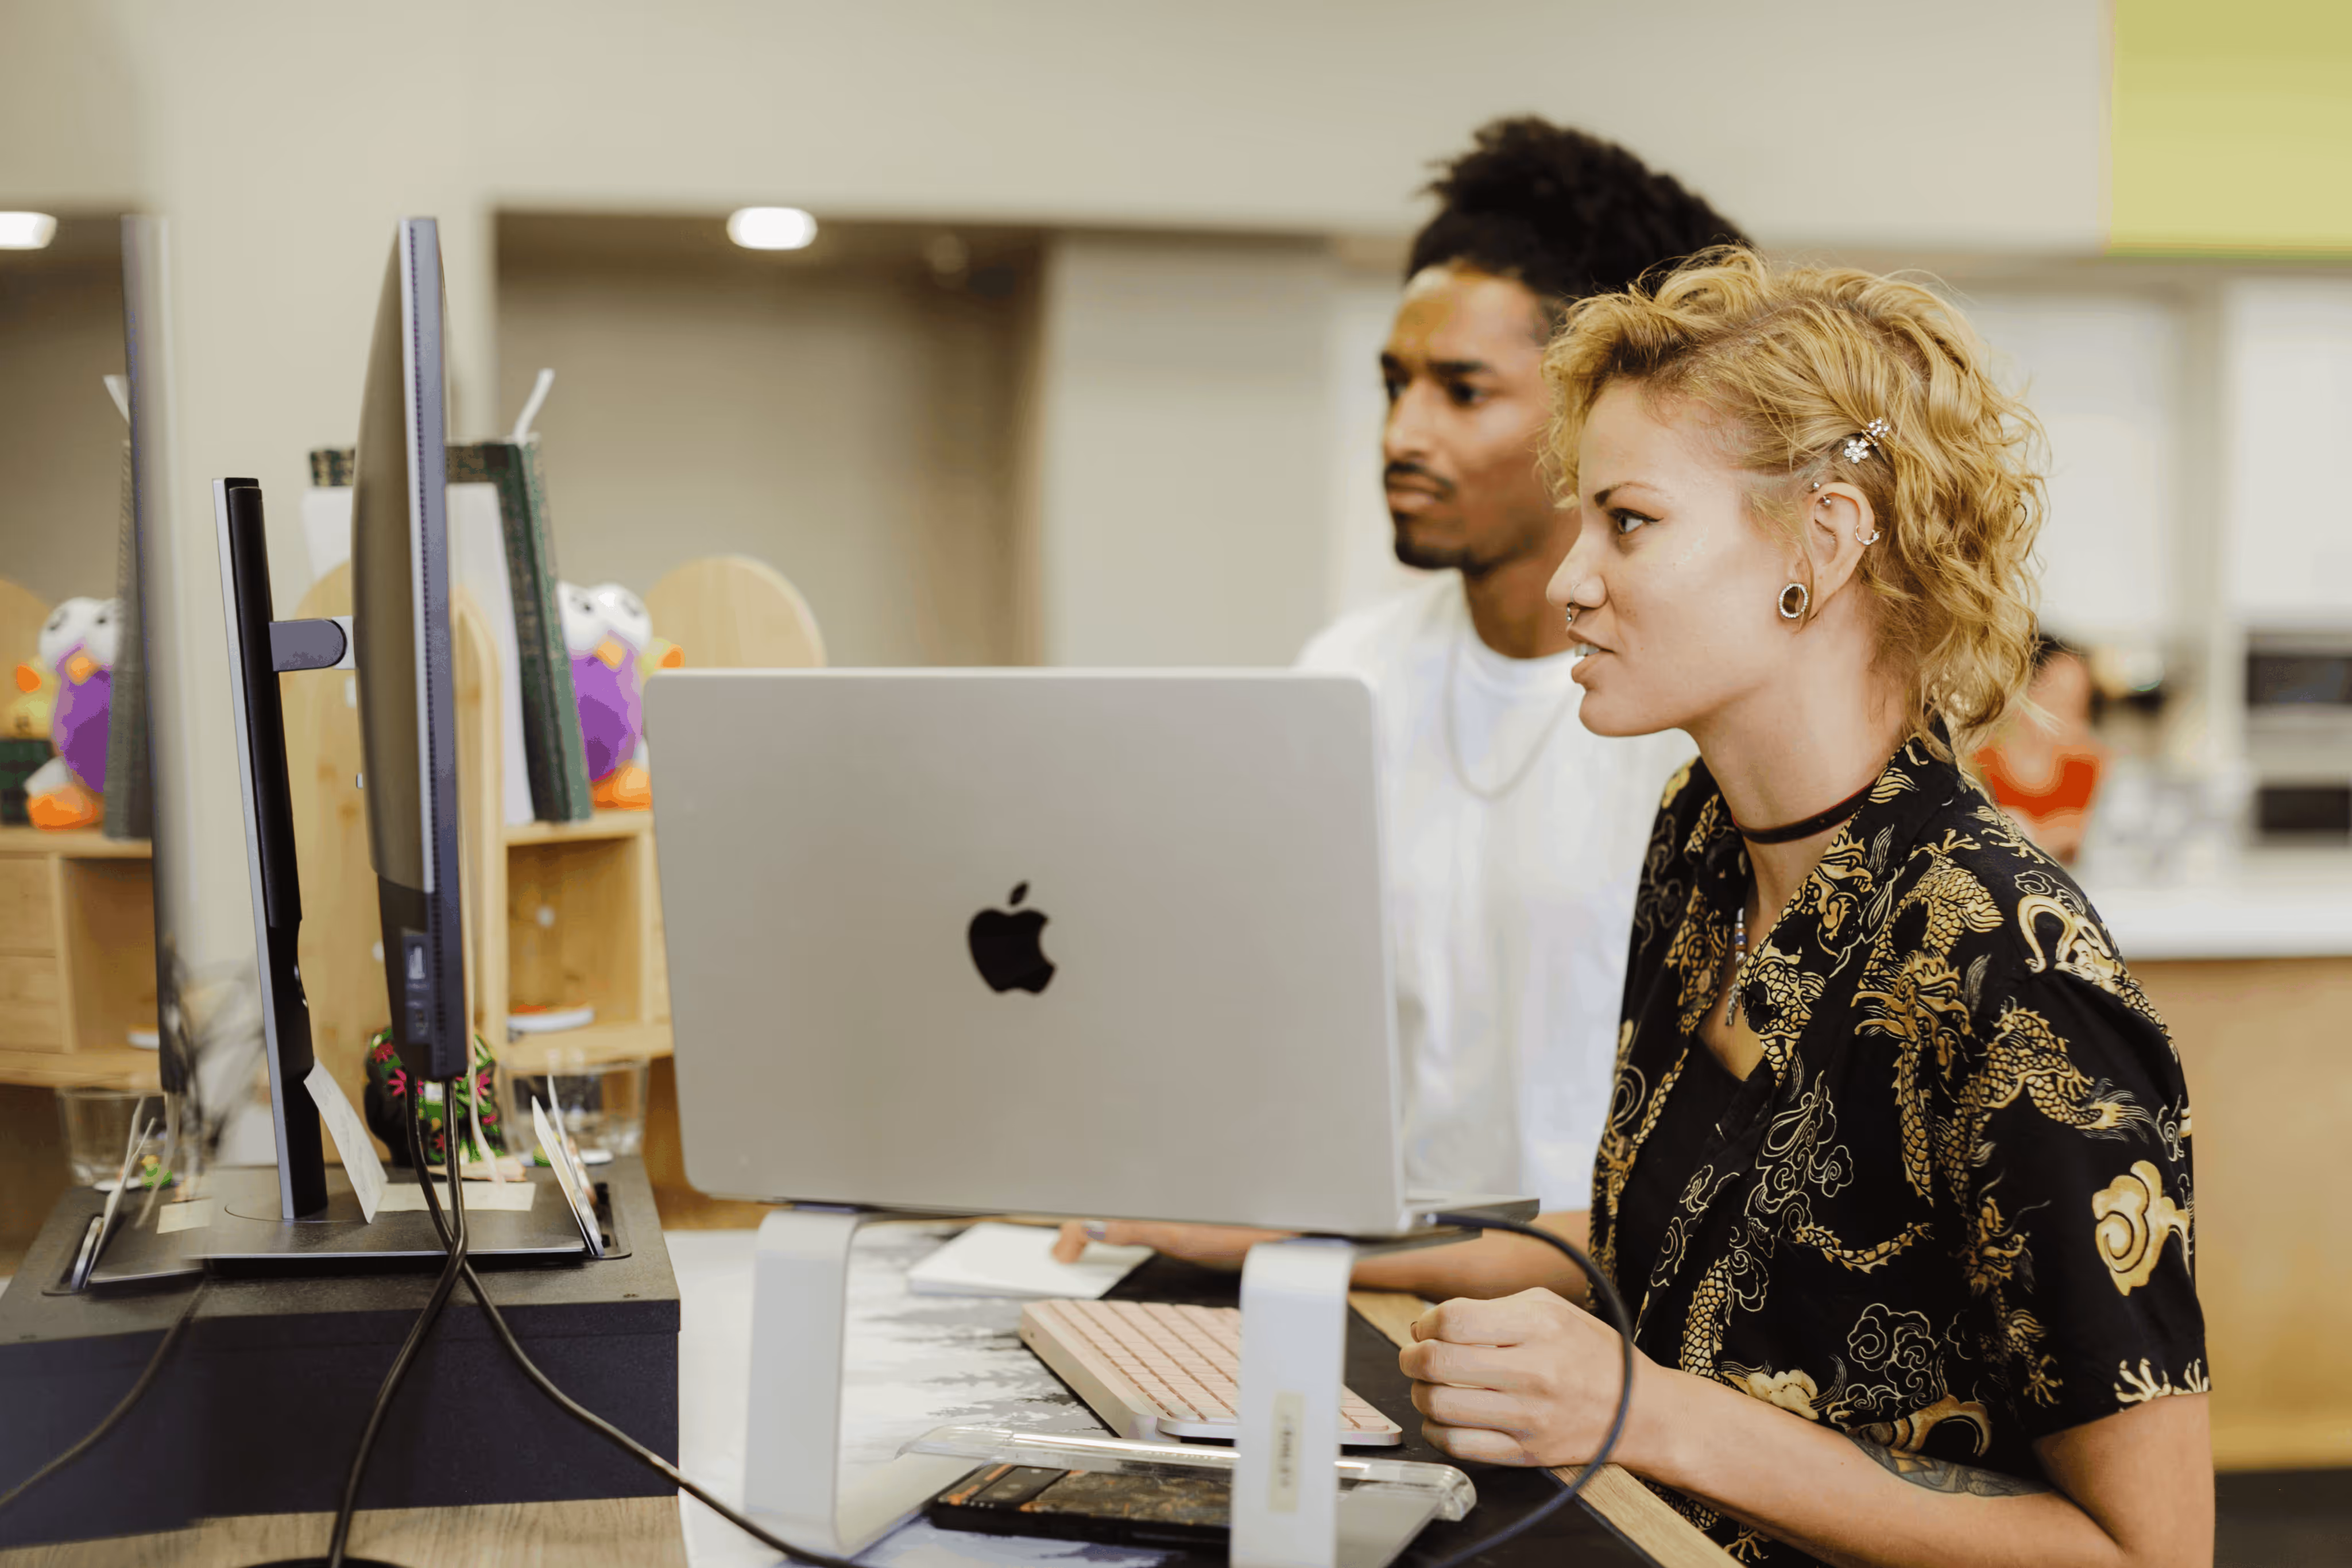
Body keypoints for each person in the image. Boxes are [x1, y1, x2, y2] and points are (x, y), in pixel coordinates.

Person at [1400, 250, 2209, 1565]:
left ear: (1819, 546)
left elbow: (2147, 1554)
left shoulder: (2004, 966)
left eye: (1629, 522)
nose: (1567, 582)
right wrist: (1287, 1231)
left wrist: (1642, 1413)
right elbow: (1636, 1240)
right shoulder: (1702, 841)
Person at [1057, 119, 1743, 1299]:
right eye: (1392, 384)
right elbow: (1272, 1039)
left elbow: (1726, 1192)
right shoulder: (1348, 676)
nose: (1400, 434)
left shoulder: (1699, 727)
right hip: (1372, 1295)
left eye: (1459, 391)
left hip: (1617, 1319)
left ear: (1598, 409)